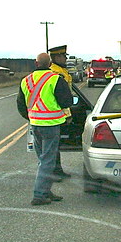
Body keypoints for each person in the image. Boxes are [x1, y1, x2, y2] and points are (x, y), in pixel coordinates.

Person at [17, 52, 73, 205]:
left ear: (36, 64)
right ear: (49, 64)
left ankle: (46, 191)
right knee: (48, 160)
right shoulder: (55, 79)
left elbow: (20, 105)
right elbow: (67, 101)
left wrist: (31, 117)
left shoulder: (26, 80)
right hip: (51, 125)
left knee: (43, 159)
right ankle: (39, 194)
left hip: (35, 124)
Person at [47, 44, 73, 180]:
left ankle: (57, 169)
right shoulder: (56, 73)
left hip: (54, 114)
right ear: (56, 57)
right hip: (54, 115)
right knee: (53, 146)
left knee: (55, 145)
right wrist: (68, 115)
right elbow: (62, 98)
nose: (65, 59)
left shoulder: (61, 71)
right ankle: (53, 171)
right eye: (63, 56)